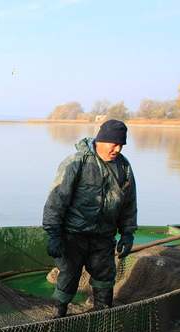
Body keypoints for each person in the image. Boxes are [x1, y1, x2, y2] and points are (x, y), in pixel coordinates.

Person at [42, 119, 138, 318]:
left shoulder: (124, 167)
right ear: (101, 141)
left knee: (105, 277)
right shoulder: (77, 162)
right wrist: (53, 233)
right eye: (114, 144)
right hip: (74, 235)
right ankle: (57, 316)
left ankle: (102, 316)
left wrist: (128, 234)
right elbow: (56, 199)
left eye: (121, 145)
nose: (117, 149)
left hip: (104, 237)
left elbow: (129, 204)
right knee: (68, 276)